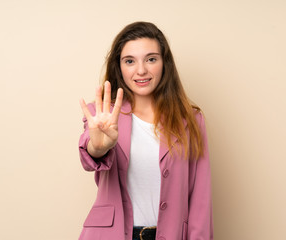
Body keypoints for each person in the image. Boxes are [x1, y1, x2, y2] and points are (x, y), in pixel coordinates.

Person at [78, 21, 213, 240]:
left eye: (151, 59)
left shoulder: (192, 120)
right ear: (119, 67)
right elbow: (90, 152)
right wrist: (97, 147)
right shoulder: (102, 114)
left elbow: (200, 201)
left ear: (164, 63)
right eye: (129, 61)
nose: (141, 70)